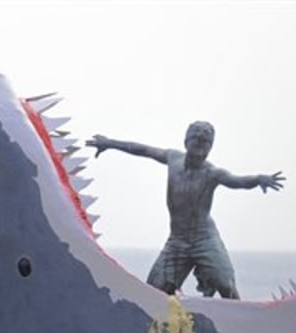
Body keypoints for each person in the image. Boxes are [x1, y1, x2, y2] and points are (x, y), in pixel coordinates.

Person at [85, 122, 285, 300]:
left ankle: (240, 324)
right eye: (196, 138)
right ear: (186, 141)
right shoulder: (173, 159)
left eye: (206, 141)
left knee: (226, 285)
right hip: (177, 241)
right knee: (154, 291)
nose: (200, 143)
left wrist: (258, 179)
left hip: (204, 239)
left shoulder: (212, 173)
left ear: (210, 147)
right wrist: (110, 143)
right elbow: (143, 150)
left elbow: (237, 181)